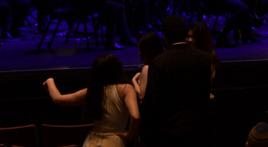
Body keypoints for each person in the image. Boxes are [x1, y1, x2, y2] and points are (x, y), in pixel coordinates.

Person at [140, 14, 213, 147]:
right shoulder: (203, 57)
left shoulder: (159, 62)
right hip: (196, 126)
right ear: (185, 33)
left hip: (168, 130)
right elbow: (204, 94)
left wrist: (146, 134)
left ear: (164, 37)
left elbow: (153, 101)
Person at [43, 54, 140, 147]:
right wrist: (129, 135)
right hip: (114, 141)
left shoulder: (92, 91)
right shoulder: (126, 89)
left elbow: (57, 99)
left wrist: (50, 81)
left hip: (92, 141)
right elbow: (135, 116)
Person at [131, 31, 164, 101]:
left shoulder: (147, 68)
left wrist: (134, 80)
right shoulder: (163, 63)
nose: (139, 53)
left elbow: (141, 95)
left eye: (140, 50)